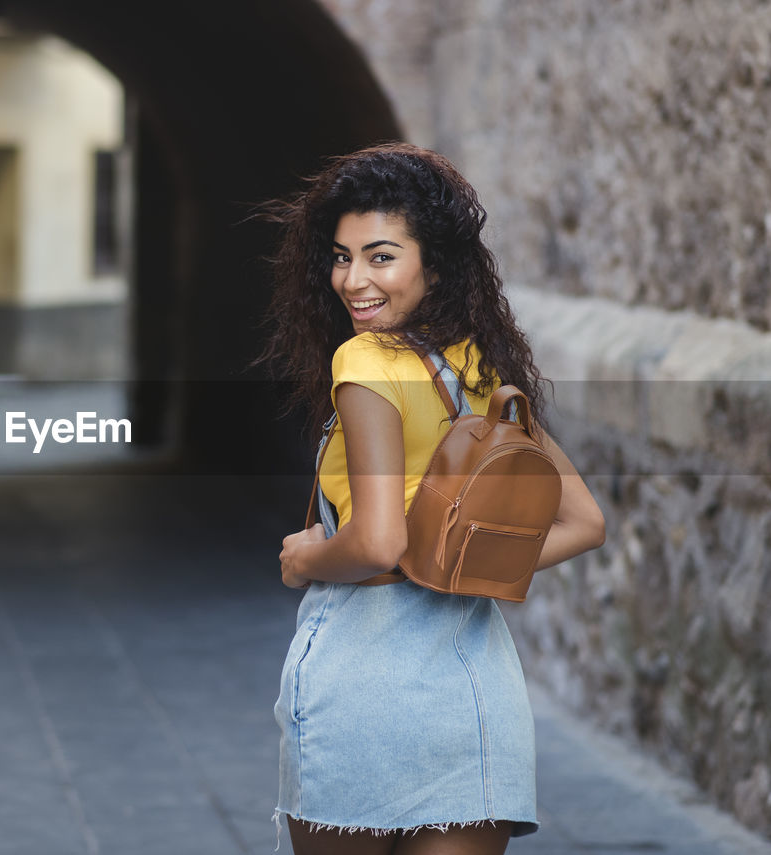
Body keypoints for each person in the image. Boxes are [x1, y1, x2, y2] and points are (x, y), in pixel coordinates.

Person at [253, 143, 606, 855]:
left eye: (381, 256)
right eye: (342, 256)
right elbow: (584, 522)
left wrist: (311, 557)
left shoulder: (363, 362)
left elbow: (378, 541)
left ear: (433, 265)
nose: (353, 279)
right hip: (475, 693)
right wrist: (461, 563)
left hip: (365, 681)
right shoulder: (482, 368)